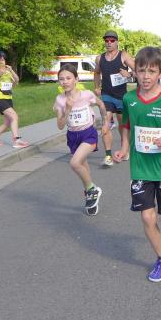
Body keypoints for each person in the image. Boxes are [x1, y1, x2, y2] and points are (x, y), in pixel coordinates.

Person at [113, 46, 161, 282]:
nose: (146, 76)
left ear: (160, 73)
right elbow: (126, 126)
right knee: (147, 217)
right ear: (134, 71)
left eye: (151, 71)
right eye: (141, 71)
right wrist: (124, 148)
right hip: (141, 167)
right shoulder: (129, 99)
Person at [53, 63, 110, 215]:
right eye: (61, 79)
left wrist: (105, 123)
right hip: (73, 136)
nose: (65, 82)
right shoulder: (60, 100)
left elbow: (101, 105)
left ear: (76, 79)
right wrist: (68, 109)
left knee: (74, 163)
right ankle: (90, 195)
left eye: (68, 78)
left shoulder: (86, 95)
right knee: (83, 166)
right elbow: (60, 125)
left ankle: (92, 189)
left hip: (88, 134)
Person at [93, 30, 136, 167]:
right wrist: (97, 87)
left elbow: (138, 71)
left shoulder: (123, 55)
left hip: (121, 97)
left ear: (117, 42)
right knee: (105, 123)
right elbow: (96, 73)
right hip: (106, 95)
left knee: (122, 125)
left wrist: (129, 74)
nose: (109, 43)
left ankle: (125, 149)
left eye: (112, 40)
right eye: (106, 40)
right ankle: (108, 156)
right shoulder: (100, 58)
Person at [0, 50, 30, 148]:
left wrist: (11, 71)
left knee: (7, 122)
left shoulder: (8, 71)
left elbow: (17, 81)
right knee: (14, 116)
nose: (1, 62)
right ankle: (17, 141)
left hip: (8, 97)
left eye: (3, 60)